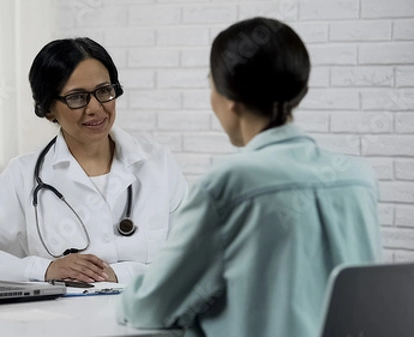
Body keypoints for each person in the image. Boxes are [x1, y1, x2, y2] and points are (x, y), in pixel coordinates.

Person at [118, 17, 382, 336]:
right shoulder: (357, 176)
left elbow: (150, 306)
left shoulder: (230, 183)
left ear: (229, 98)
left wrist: (127, 296)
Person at [0, 37, 187, 285]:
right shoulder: (24, 173)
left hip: (146, 317)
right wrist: (44, 269)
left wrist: (120, 274)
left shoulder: (158, 164)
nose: (95, 107)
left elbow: (197, 257)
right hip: (62, 320)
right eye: (77, 97)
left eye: (104, 91)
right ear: (48, 109)